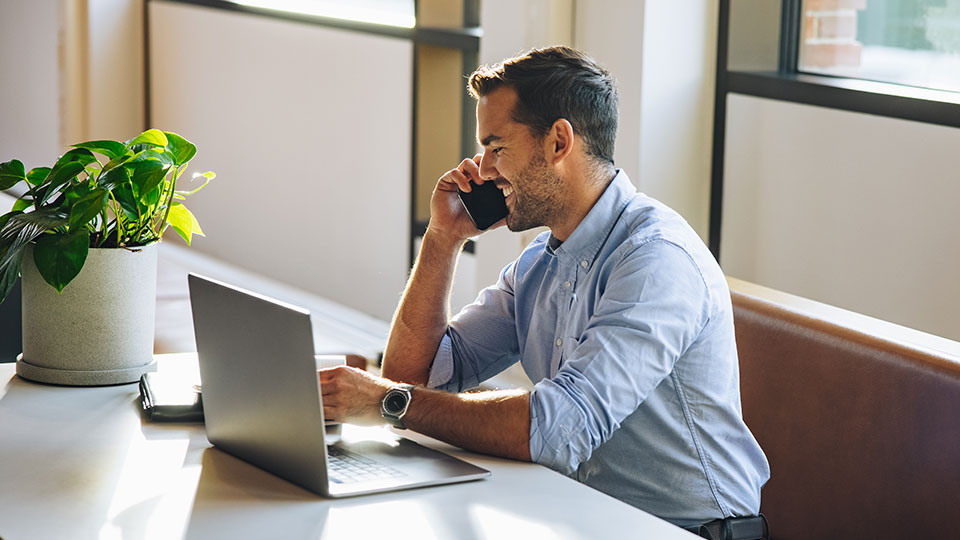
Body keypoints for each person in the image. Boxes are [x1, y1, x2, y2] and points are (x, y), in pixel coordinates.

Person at [318, 46, 770, 529]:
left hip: (682, 530)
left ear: (558, 142)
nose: (482, 169)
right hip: (582, 515)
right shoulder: (540, 262)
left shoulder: (656, 261)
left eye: (497, 148)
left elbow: (558, 430)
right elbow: (415, 375)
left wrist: (390, 403)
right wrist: (441, 239)